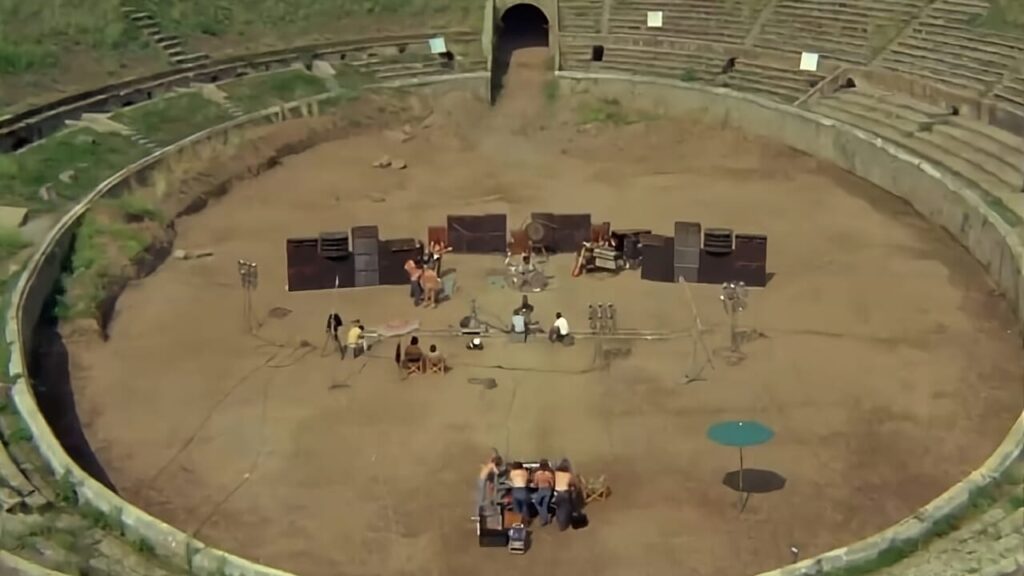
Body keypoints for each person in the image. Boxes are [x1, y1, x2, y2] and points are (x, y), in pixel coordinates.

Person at [553, 459, 577, 531]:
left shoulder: (555, 473)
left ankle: (559, 522)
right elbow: (573, 485)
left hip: (556, 493)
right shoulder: (569, 475)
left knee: (558, 508)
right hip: (565, 493)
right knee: (566, 509)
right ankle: (564, 525)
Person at [532, 459, 556, 526]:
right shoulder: (549, 473)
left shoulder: (537, 474)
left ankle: (543, 516)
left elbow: (535, 484)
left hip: (541, 489)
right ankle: (545, 517)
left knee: (536, 502)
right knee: (545, 505)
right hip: (548, 490)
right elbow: (552, 484)